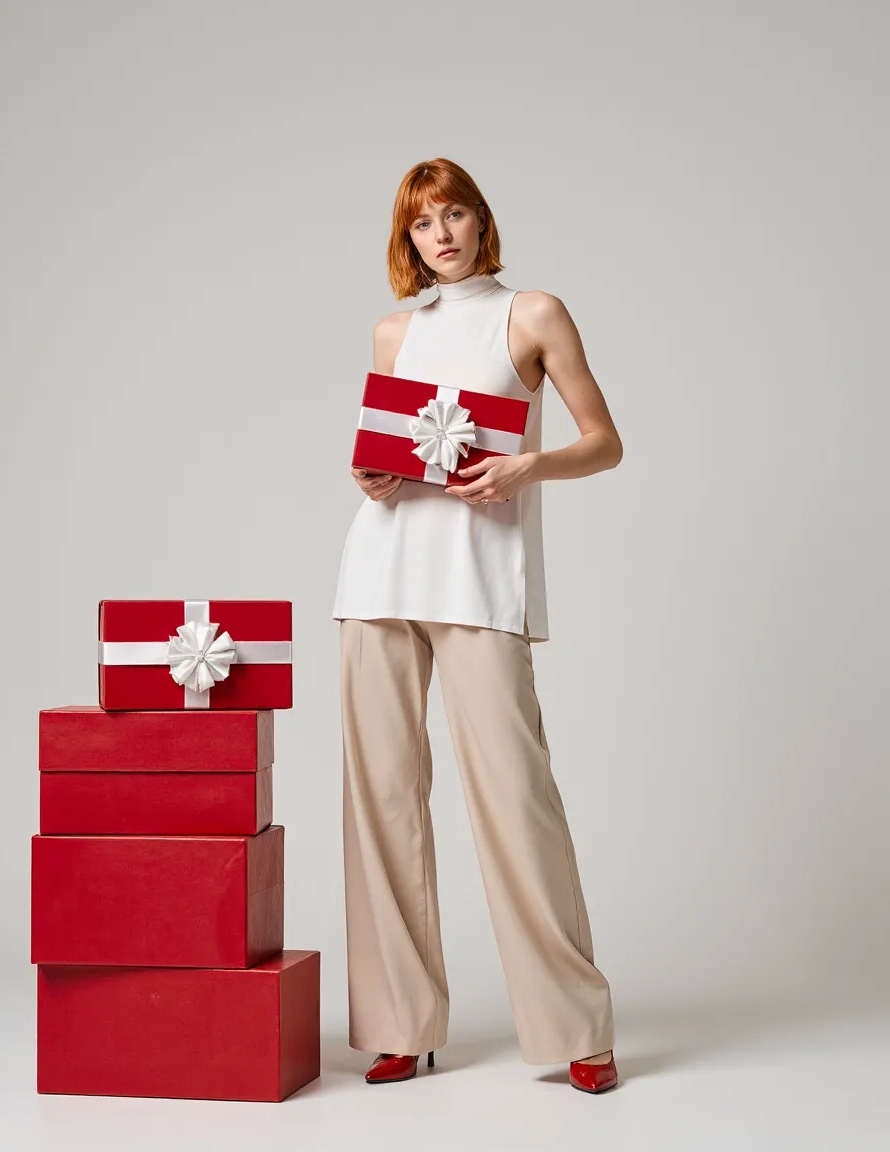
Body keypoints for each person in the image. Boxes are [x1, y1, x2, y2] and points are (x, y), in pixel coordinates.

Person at [332, 157, 624, 1093]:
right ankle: (397, 1024)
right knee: (379, 800)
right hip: (379, 573)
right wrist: (368, 474)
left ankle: (577, 1027)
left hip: (478, 578)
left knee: (514, 797)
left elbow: (604, 440)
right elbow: (387, 448)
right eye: (423, 225)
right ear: (407, 240)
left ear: (480, 220)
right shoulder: (393, 329)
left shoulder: (531, 313)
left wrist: (524, 470)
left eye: (454, 214)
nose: (442, 235)